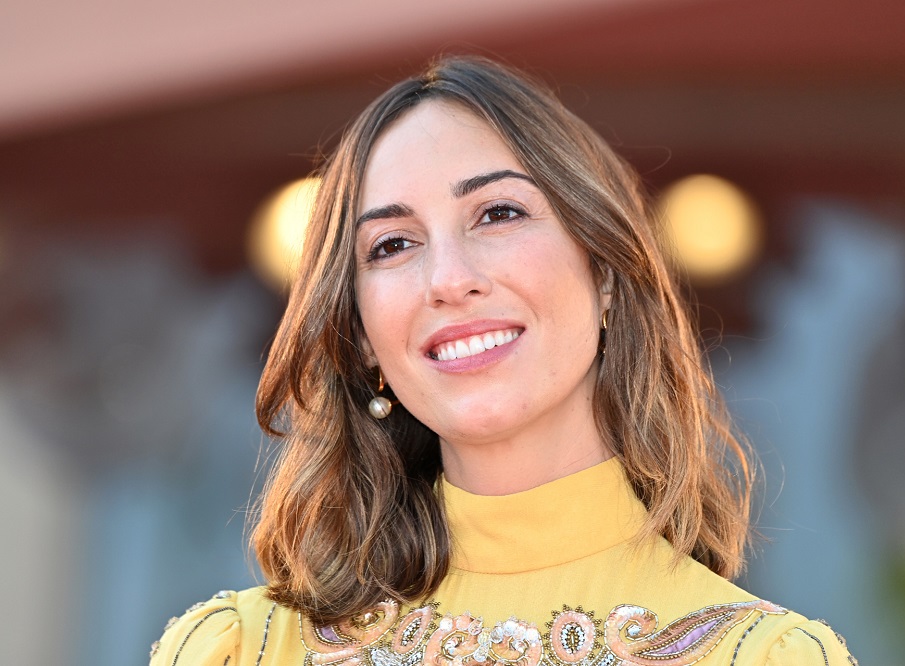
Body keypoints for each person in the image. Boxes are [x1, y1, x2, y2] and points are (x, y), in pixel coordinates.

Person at [150, 56, 855, 666]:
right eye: (392, 244)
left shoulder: (761, 656)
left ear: (604, 272)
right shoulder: (243, 651)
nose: (448, 279)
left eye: (498, 213)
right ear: (363, 335)